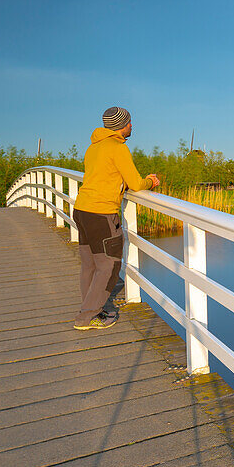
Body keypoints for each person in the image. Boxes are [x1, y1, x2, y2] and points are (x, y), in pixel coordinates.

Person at [72, 106, 160, 330]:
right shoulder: (117, 148)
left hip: (82, 210)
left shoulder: (94, 147)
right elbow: (136, 183)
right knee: (110, 265)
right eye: (130, 122)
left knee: (90, 265)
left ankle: (91, 310)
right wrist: (151, 181)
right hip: (101, 213)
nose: (132, 125)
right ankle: (87, 316)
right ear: (123, 126)